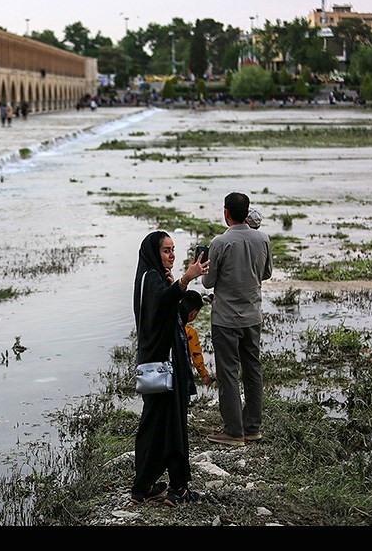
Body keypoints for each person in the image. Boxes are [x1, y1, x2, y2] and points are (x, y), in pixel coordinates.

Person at [130, 230, 208, 507]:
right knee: (171, 426)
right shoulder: (151, 279)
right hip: (163, 365)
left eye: (173, 249)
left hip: (154, 363)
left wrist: (176, 285)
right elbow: (162, 305)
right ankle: (178, 489)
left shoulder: (151, 278)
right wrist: (186, 279)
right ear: (153, 252)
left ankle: (144, 487)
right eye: (166, 250)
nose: (172, 255)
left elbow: (164, 311)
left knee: (153, 426)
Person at [202, 192, 273, 447]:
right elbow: (266, 273)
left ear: (226, 212)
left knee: (229, 373)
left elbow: (209, 282)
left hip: (226, 319)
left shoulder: (220, 242)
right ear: (247, 212)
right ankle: (252, 427)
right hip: (253, 316)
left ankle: (233, 432)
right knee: (253, 369)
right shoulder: (262, 238)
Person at [178, 290, 212, 389]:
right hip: (181, 374)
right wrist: (204, 374)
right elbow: (196, 355)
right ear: (193, 313)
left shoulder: (169, 323)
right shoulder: (189, 333)